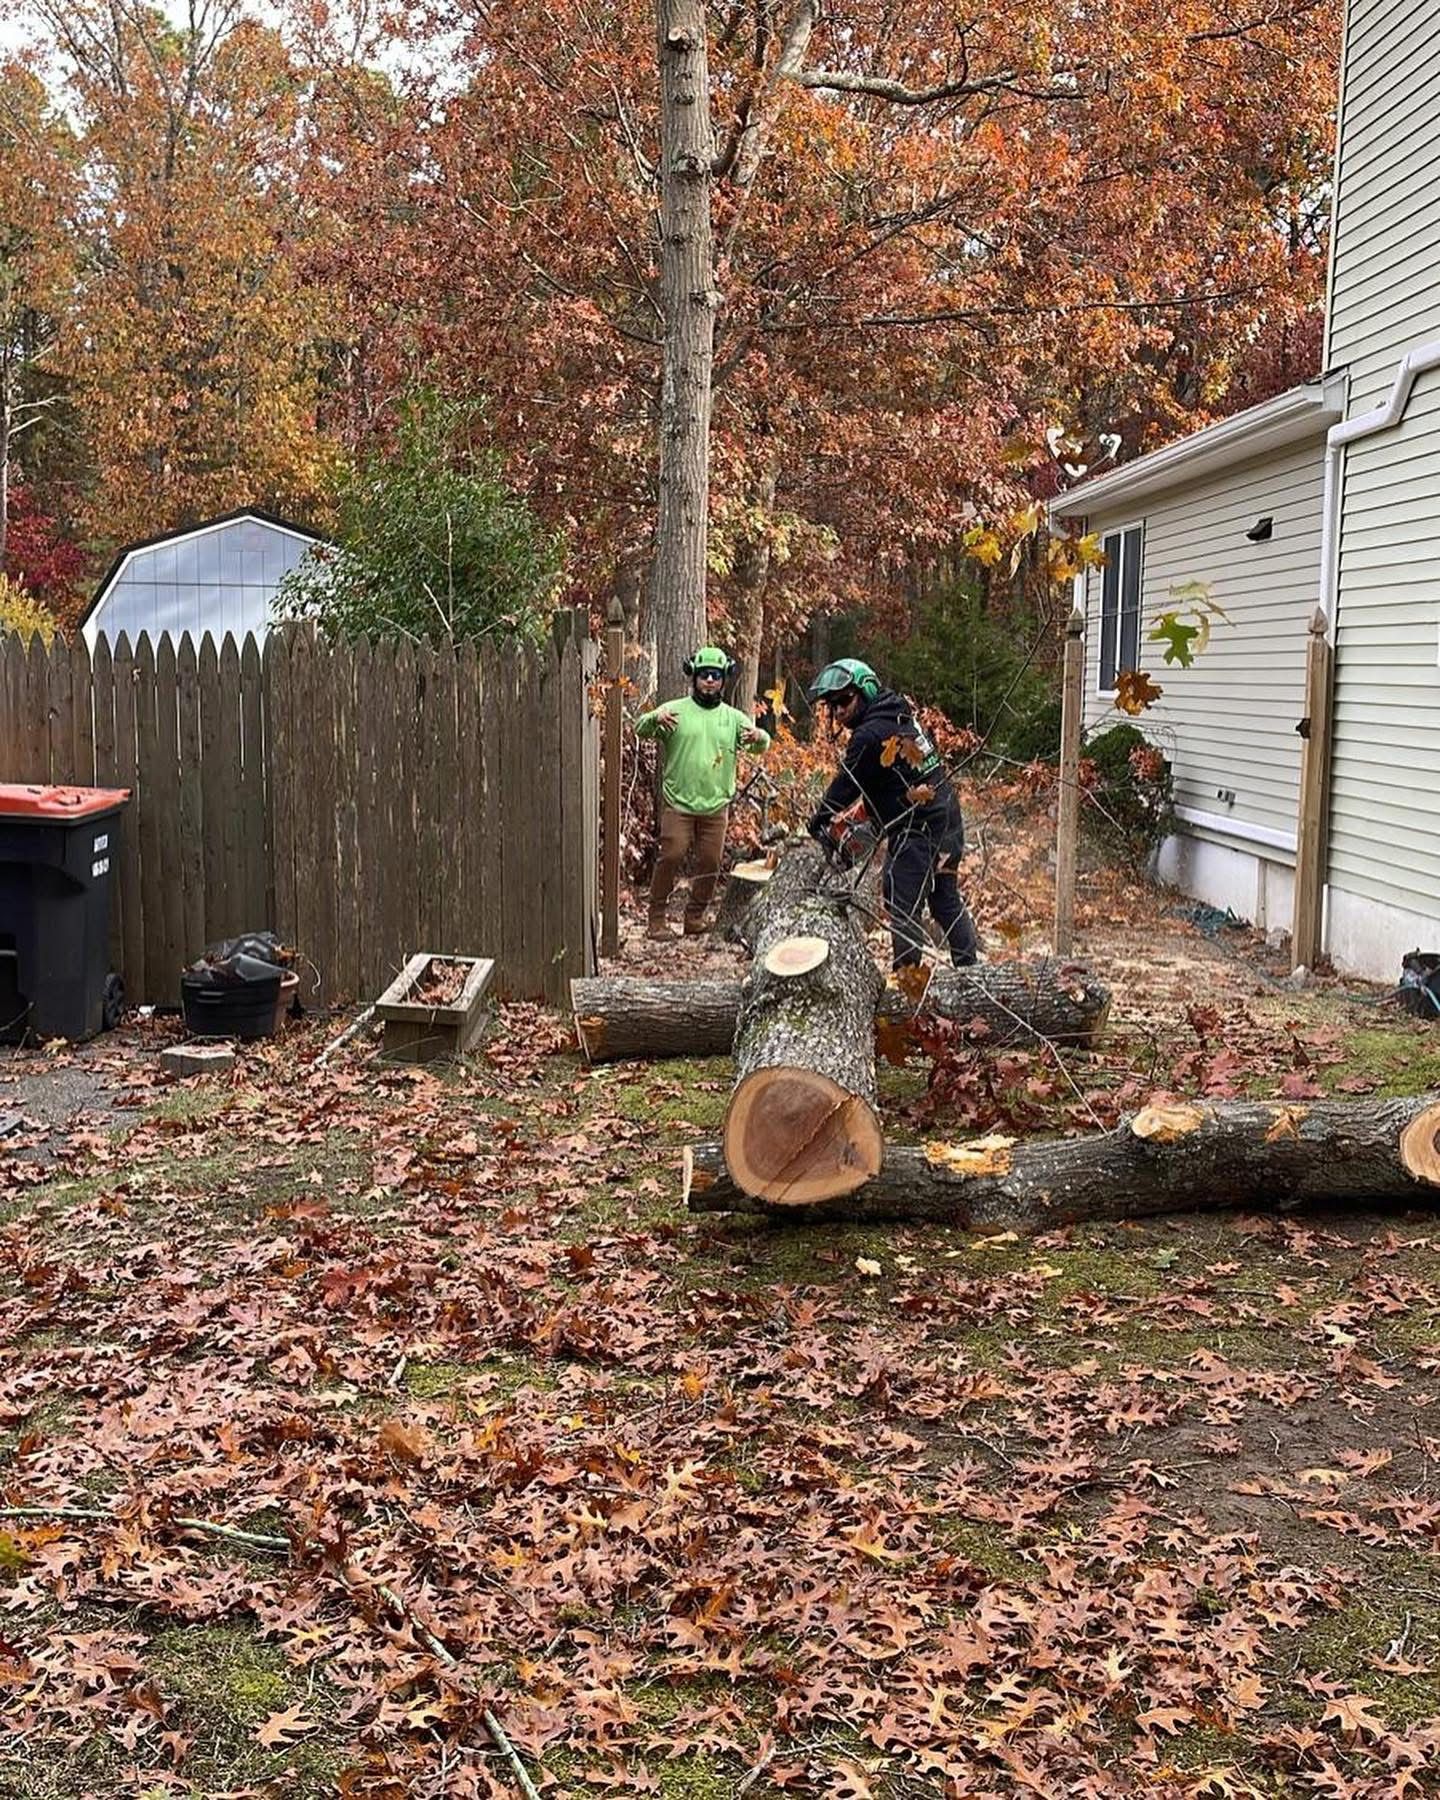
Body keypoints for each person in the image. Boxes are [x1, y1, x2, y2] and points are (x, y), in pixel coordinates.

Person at [806, 657, 979, 969]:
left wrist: (819, 820)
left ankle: (906, 980)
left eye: (844, 700)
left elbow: (847, 782)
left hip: (917, 825)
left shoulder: (868, 735)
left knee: (901, 901)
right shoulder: (899, 714)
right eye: (832, 704)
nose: (839, 710)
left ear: (866, 691)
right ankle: (970, 970)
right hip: (946, 813)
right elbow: (886, 777)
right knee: (943, 898)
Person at [635, 646, 771, 940]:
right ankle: (656, 919)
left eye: (716, 675)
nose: (709, 680)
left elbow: (760, 745)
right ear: (694, 677)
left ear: (724, 679)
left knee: (710, 861)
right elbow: (640, 728)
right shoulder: (674, 711)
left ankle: (695, 917)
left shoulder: (733, 718)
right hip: (679, 802)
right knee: (671, 854)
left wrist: (761, 736)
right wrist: (654, 719)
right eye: (704, 675)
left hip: (716, 804)